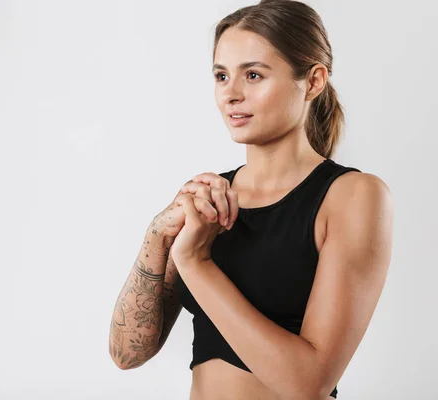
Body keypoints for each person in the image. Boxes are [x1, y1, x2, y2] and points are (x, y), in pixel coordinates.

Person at [109, 1, 394, 399]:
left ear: (313, 81)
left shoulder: (352, 196)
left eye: (254, 75)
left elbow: (309, 384)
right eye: (221, 76)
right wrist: (157, 236)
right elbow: (127, 354)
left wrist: (196, 262)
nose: (231, 94)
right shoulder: (206, 201)